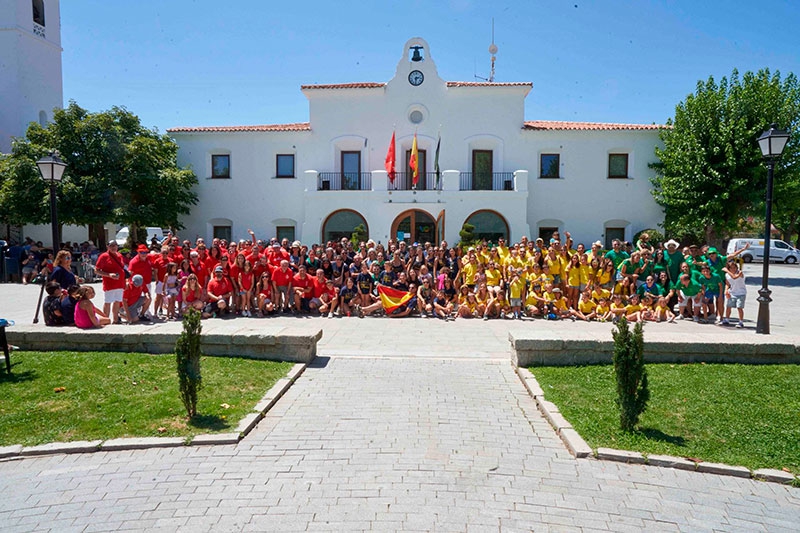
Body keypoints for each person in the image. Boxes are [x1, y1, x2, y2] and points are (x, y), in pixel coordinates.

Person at [94, 240, 127, 324]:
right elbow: (97, 270)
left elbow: (122, 269)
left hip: (120, 283)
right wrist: (109, 275)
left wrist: (125, 281)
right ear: (107, 246)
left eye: (115, 245)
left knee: (117, 301)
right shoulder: (104, 256)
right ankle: (106, 319)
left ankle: (115, 320)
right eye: (111, 245)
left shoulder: (119, 255)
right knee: (108, 302)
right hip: (110, 284)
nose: (113, 247)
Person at [723, 259, 746, 328]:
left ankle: (741, 321)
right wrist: (726, 290)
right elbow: (727, 283)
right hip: (732, 292)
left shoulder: (740, 273)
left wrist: (727, 270)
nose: (733, 269)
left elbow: (734, 277)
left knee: (739, 307)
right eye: (731, 268)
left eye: (734, 267)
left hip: (741, 293)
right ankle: (727, 319)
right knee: (728, 306)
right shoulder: (727, 275)